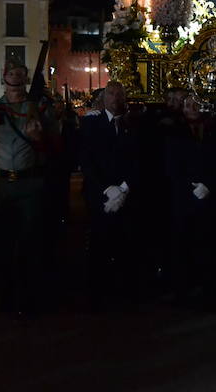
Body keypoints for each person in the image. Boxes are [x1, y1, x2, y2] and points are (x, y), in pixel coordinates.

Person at [0, 59, 56, 315]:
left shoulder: (40, 107)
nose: (16, 79)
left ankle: (29, 296)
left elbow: (57, 147)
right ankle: (6, 295)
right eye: (12, 74)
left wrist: (40, 139)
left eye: (21, 74)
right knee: (3, 244)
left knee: (31, 243)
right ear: (4, 76)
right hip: (1, 185)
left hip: (31, 182)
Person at [163, 95, 216, 308]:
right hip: (183, 198)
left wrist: (209, 184)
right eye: (187, 104)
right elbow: (171, 165)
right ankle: (181, 292)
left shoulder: (215, 130)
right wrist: (189, 186)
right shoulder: (173, 130)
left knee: (208, 246)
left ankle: (210, 292)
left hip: (209, 197)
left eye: (195, 104)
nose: (191, 108)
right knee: (182, 246)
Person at [79, 81, 140, 311]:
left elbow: (137, 159)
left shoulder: (132, 124)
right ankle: (97, 293)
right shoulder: (91, 123)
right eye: (111, 94)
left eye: (119, 94)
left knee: (125, 243)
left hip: (126, 193)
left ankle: (124, 291)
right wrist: (107, 189)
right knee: (98, 244)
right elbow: (87, 159)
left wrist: (124, 188)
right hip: (99, 194)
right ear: (104, 98)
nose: (115, 98)